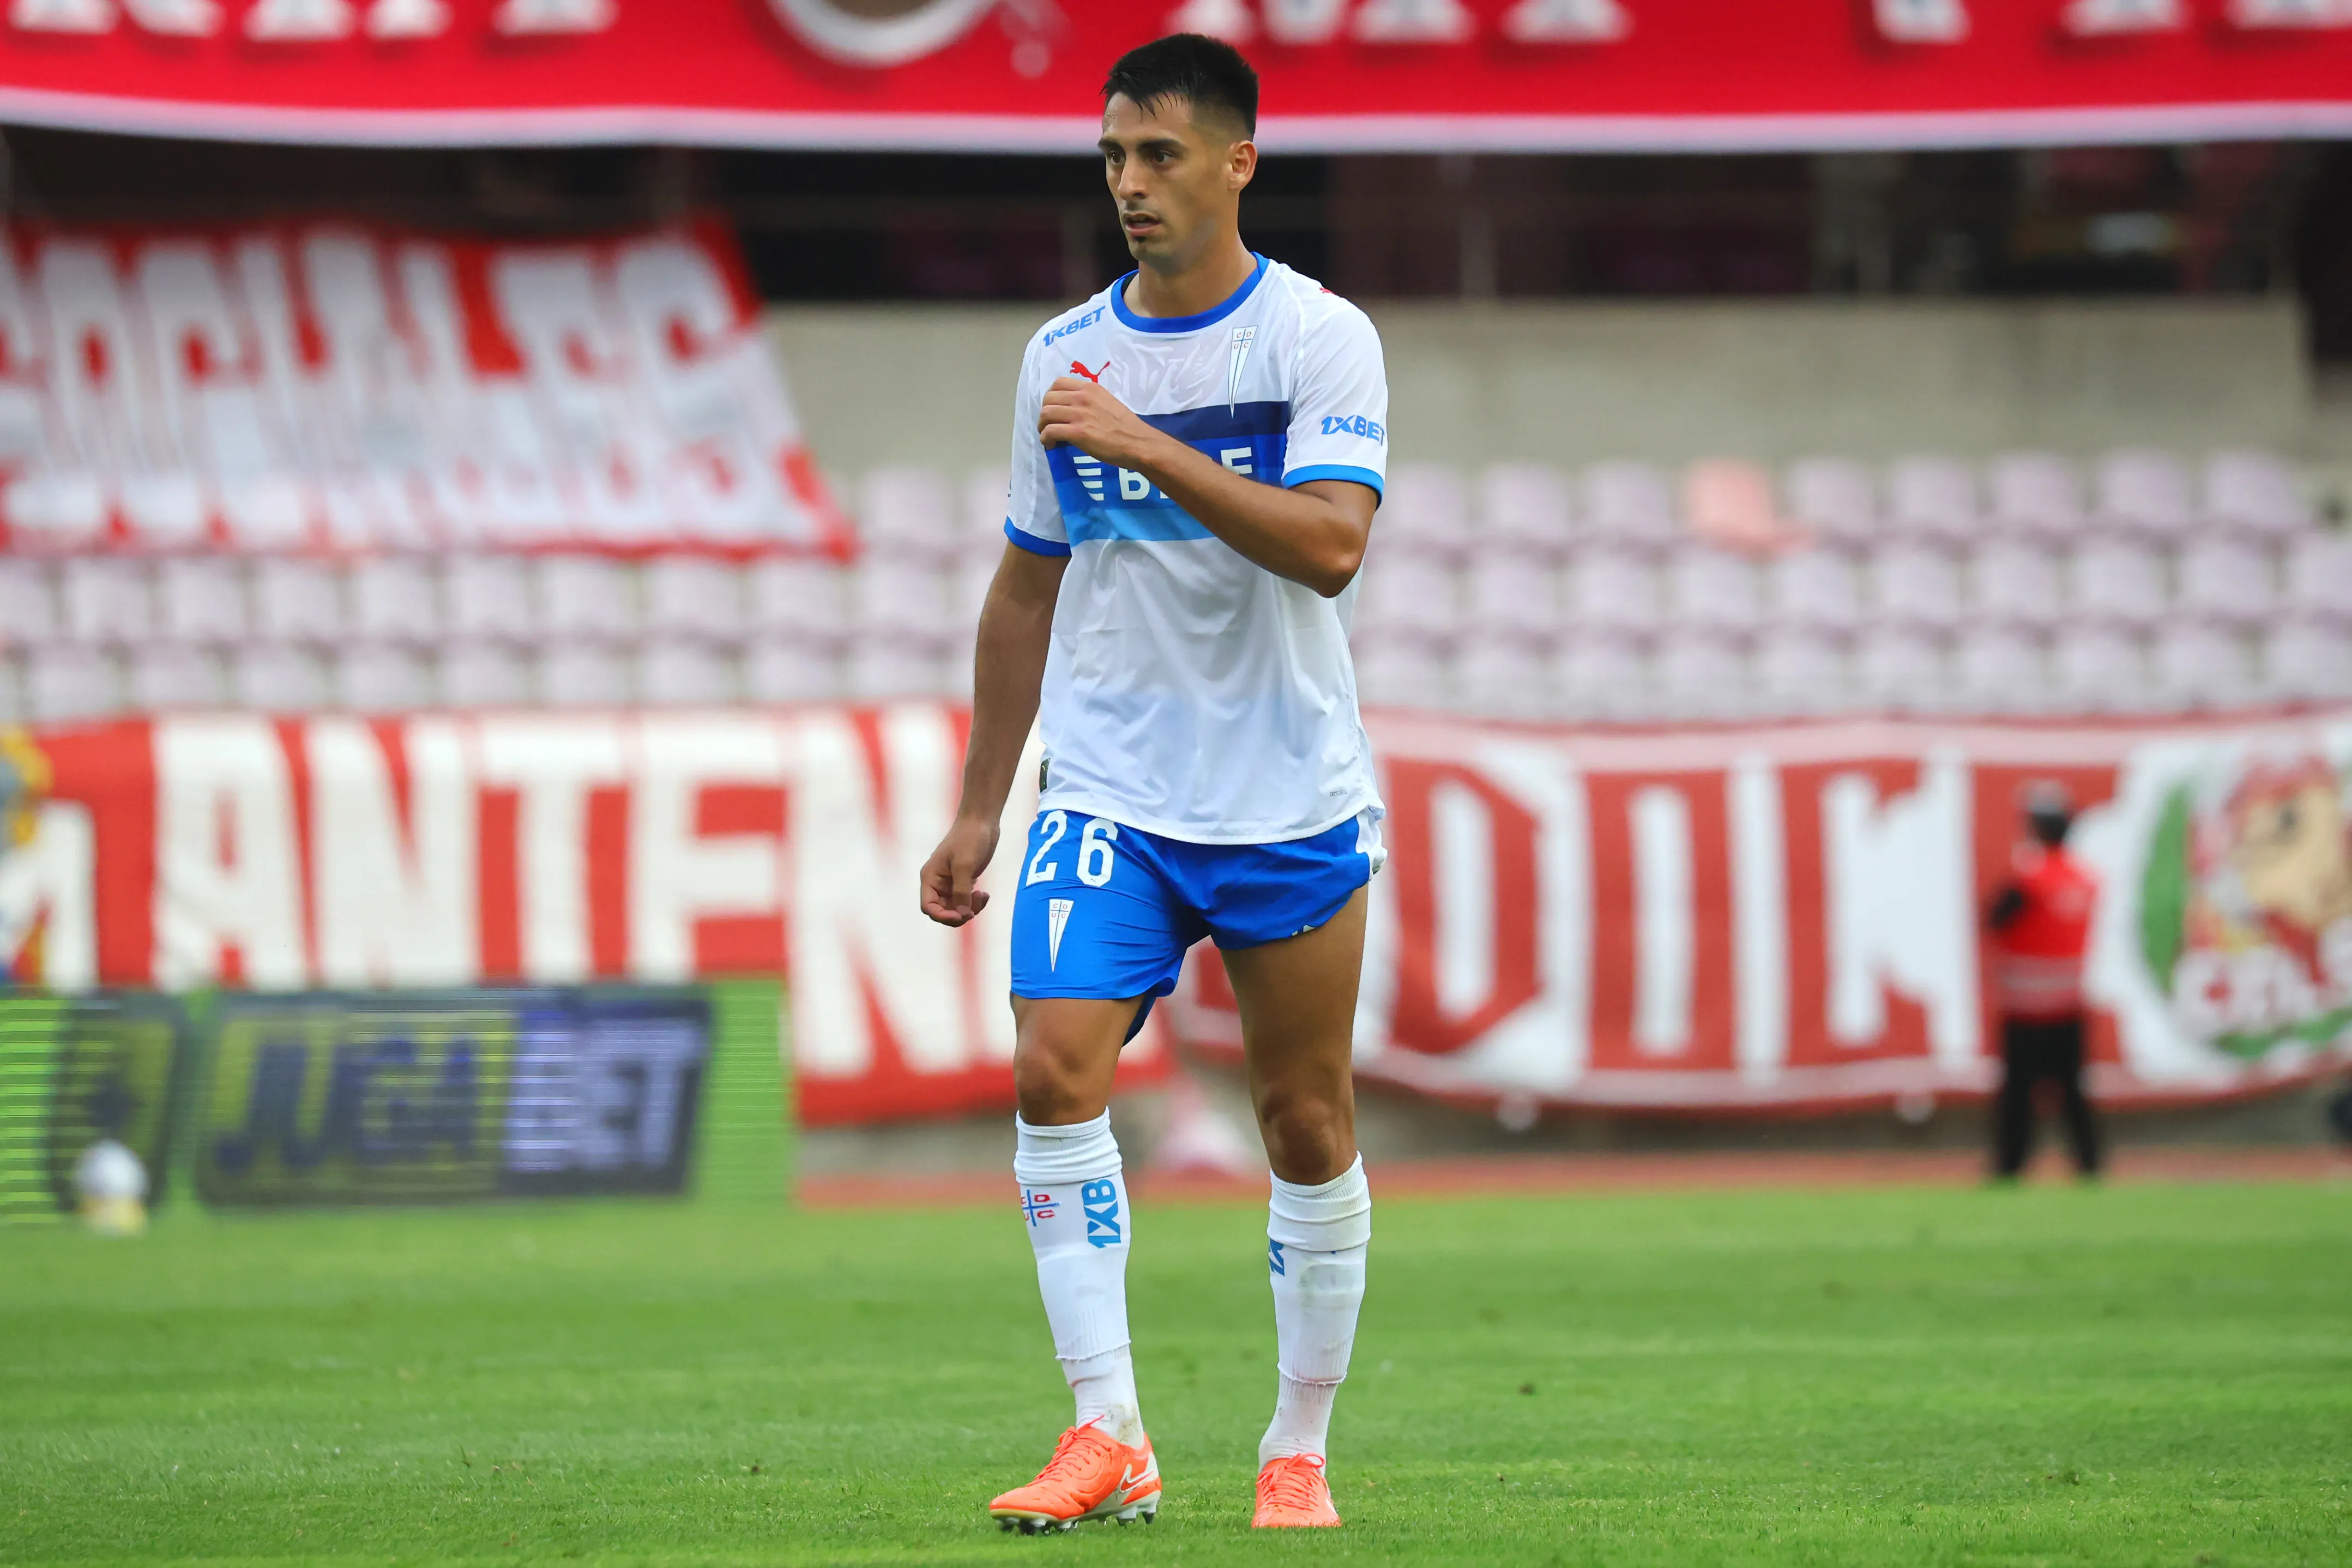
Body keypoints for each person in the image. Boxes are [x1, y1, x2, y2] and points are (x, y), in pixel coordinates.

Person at [918, 32, 1389, 1535]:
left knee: (1302, 1121)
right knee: (1056, 1069)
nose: (1129, 183)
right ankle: (1106, 1428)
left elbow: (1328, 546)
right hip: (1110, 786)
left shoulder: (1319, 339)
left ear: (1238, 160)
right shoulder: (1061, 353)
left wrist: (1142, 443)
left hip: (1285, 791)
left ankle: (1295, 1445)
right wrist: (984, 799)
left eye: (1161, 155)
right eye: (1114, 155)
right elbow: (1020, 587)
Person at [1987, 782, 2103, 1180]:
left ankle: (2010, 1167)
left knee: (2018, 1097)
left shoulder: (2029, 879)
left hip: (2025, 1011)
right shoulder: (2086, 878)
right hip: (2069, 1008)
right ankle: (2090, 1165)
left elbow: (1994, 919)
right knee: (2073, 1094)